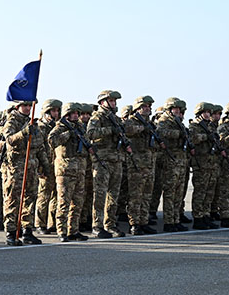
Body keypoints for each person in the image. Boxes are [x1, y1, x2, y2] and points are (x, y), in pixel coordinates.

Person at [86, 90, 132, 238]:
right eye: (111, 101)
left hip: (116, 160)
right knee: (100, 195)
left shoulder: (116, 119)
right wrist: (109, 130)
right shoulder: (97, 117)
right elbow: (91, 133)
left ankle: (110, 224)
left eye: (114, 101)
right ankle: (97, 226)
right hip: (103, 161)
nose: (114, 103)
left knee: (114, 195)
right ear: (102, 102)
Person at [2, 100, 46, 246]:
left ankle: (27, 230)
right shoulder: (12, 121)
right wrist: (23, 133)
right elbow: (9, 140)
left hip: (32, 166)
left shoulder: (33, 122)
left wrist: (45, 165)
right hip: (16, 167)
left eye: (30, 106)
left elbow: (39, 146)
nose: (28, 108)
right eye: (25, 106)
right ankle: (11, 232)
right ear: (18, 107)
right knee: (13, 199)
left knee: (30, 199)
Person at [48, 102, 91, 242]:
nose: (76, 115)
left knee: (77, 202)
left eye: (77, 113)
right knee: (63, 202)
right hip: (65, 171)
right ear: (67, 114)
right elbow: (51, 140)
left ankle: (73, 230)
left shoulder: (79, 128)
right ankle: (61, 231)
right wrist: (68, 134)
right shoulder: (60, 127)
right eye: (73, 113)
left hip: (79, 169)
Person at [123, 96, 160, 235]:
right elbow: (128, 130)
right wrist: (142, 128)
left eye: (149, 106)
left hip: (149, 164)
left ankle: (144, 222)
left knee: (146, 196)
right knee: (135, 196)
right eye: (145, 106)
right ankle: (134, 224)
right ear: (138, 108)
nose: (148, 108)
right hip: (136, 165)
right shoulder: (131, 121)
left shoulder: (150, 124)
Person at [188, 102, 227, 230]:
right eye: (205, 112)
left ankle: (205, 215)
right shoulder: (195, 126)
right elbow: (192, 138)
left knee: (209, 192)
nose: (207, 114)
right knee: (200, 192)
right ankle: (198, 218)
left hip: (211, 163)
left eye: (209, 112)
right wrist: (206, 137)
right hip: (201, 164)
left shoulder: (210, 126)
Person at [155, 98, 192, 232]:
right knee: (170, 193)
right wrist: (178, 134)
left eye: (179, 110)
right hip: (170, 161)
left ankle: (176, 219)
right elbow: (161, 133)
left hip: (180, 161)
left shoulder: (178, 122)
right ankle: (169, 221)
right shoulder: (164, 121)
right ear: (170, 109)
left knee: (178, 193)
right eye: (175, 109)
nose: (178, 112)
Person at [34, 99, 62, 236]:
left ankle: (52, 223)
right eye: (52, 111)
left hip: (57, 165)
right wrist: (41, 167)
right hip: (45, 165)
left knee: (56, 196)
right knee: (43, 196)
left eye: (57, 111)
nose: (55, 113)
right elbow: (38, 149)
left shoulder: (57, 127)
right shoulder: (40, 128)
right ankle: (40, 223)